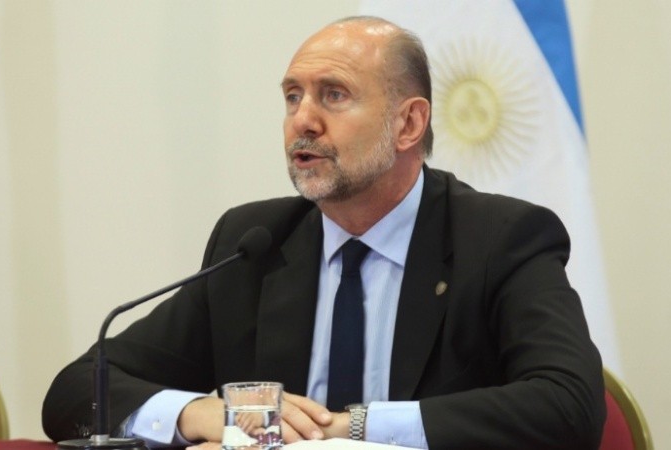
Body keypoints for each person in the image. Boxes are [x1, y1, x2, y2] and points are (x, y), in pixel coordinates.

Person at [43, 16, 605, 449]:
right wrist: (200, 414)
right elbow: (77, 390)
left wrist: (352, 428)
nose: (303, 121)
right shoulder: (256, 242)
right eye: (293, 96)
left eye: (333, 95)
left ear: (409, 123)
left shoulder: (500, 238)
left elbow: (569, 405)